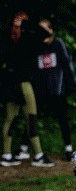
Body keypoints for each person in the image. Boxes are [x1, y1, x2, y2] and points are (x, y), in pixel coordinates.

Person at [1, 12, 54, 167]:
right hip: (22, 84)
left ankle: (7, 155)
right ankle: (38, 155)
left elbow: (45, 35)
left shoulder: (21, 39)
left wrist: (24, 24)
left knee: (11, 118)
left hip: (11, 83)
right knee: (30, 117)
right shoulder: (18, 39)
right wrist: (25, 24)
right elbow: (44, 34)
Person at [33, 18, 76, 161]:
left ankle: (68, 148)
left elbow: (67, 63)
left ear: (51, 30)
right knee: (33, 115)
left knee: (62, 117)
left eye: (45, 29)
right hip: (41, 89)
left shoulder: (58, 44)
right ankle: (23, 148)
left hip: (57, 88)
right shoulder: (37, 46)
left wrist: (72, 82)